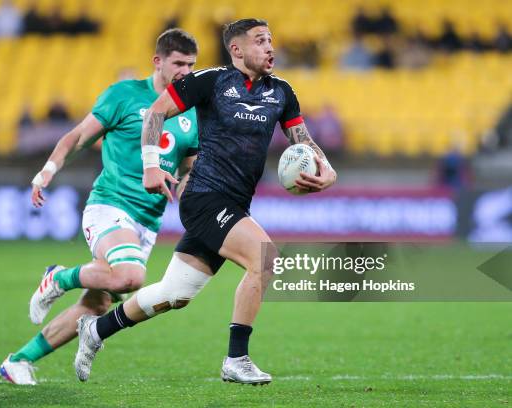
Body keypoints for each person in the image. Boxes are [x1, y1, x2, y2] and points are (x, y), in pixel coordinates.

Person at [74, 18, 337, 385]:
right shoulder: (211, 81)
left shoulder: (281, 92)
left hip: (236, 203)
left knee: (175, 293)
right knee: (265, 258)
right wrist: (152, 165)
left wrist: (328, 171)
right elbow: (156, 112)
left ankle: (97, 330)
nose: (270, 48)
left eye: (271, 40)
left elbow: (303, 140)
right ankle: (237, 359)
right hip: (203, 197)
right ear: (237, 49)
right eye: (260, 41)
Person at [0, 28, 199, 385]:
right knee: (131, 277)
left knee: (96, 306)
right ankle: (59, 277)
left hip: (147, 222)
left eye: (191, 65)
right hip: (110, 205)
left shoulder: (193, 113)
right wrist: (47, 171)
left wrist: (189, 189)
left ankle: (18, 361)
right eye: (179, 63)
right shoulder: (124, 96)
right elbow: (78, 136)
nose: (185, 71)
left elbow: (187, 169)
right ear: (158, 62)